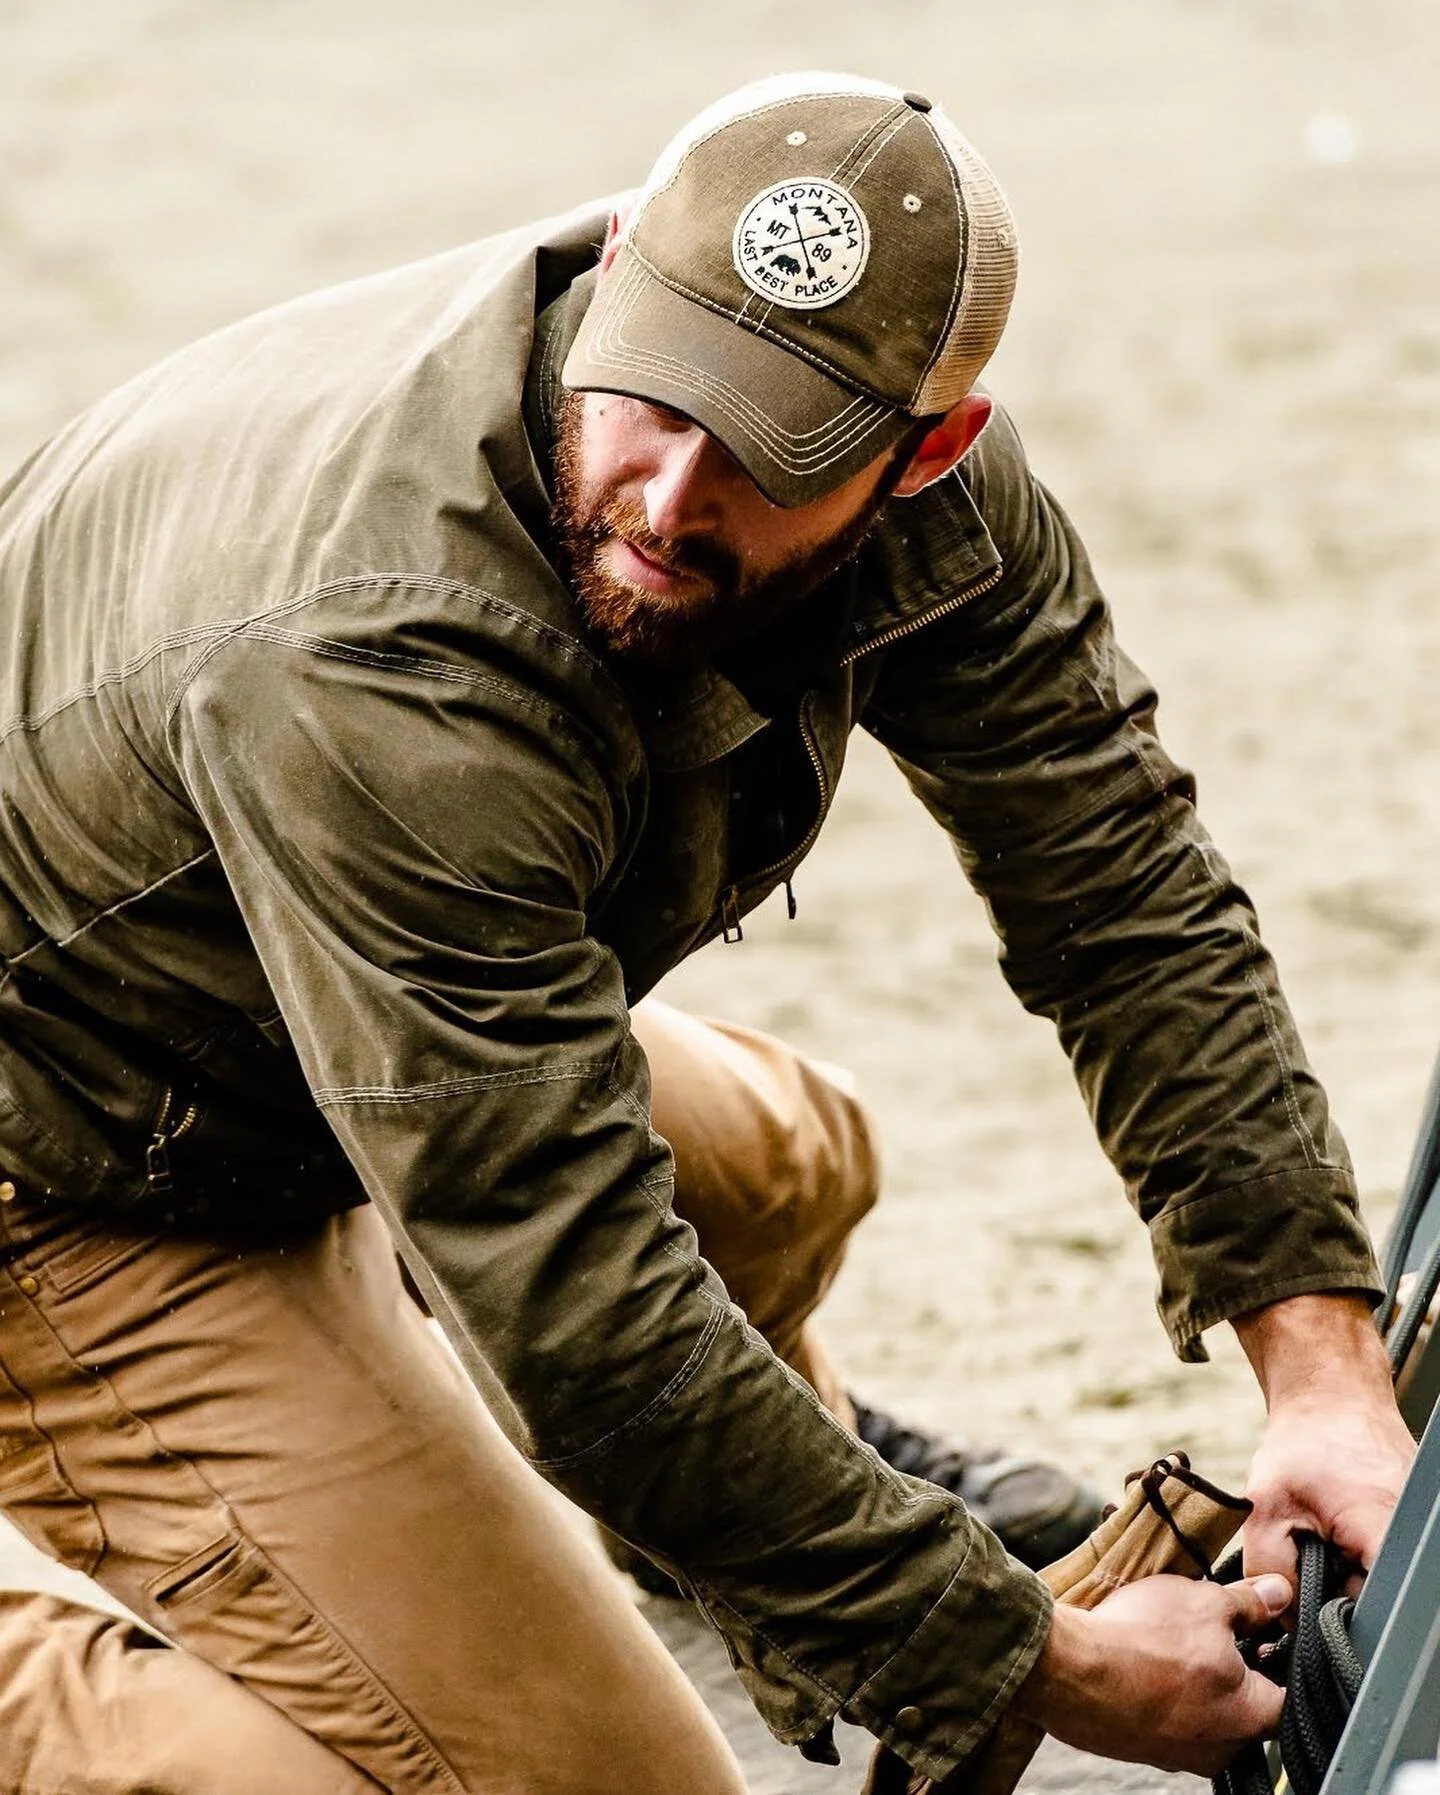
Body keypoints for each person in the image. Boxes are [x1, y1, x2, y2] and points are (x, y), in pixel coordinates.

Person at [0, 67, 1415, 1795]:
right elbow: (576, 1304)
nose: (669, 491)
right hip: (75, 1167)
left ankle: (750, 1502)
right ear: (615, 263)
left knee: (795, 1161)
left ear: (927, 450)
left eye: (764, 444)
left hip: (333, 1029)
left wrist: (1323, 1364)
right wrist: (1018, 1654)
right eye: (654, 394)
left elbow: (1118, 881)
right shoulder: (382, 656)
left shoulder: (930, 499)